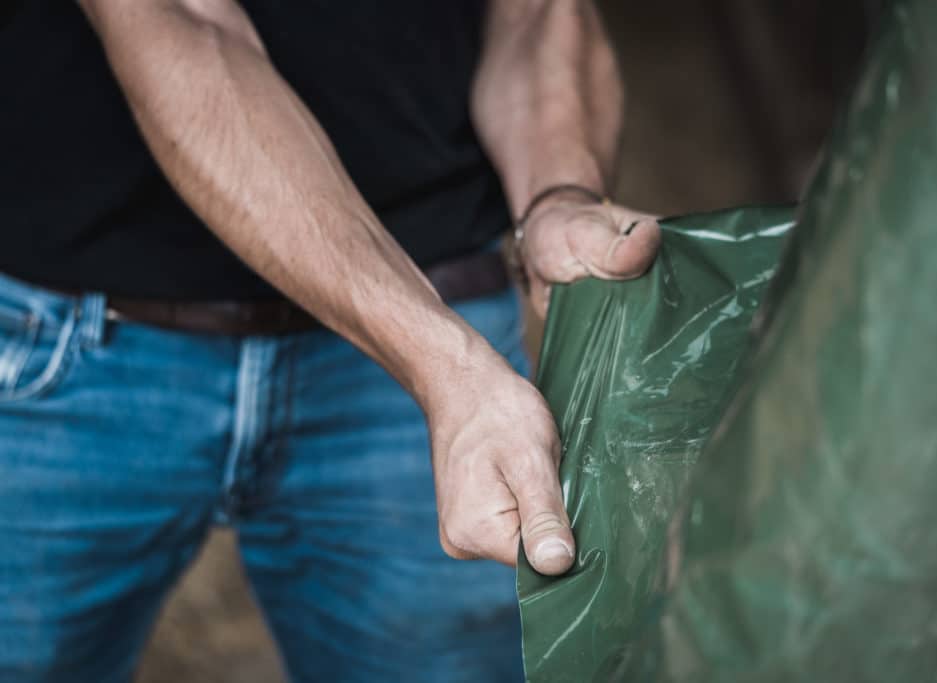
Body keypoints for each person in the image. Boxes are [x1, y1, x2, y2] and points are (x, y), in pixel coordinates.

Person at [0, 1, 661, 681]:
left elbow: (538, 16)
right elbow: (184, 26)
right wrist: (445, 364)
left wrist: (556, 196)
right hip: (71, 340)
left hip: (438, 327)